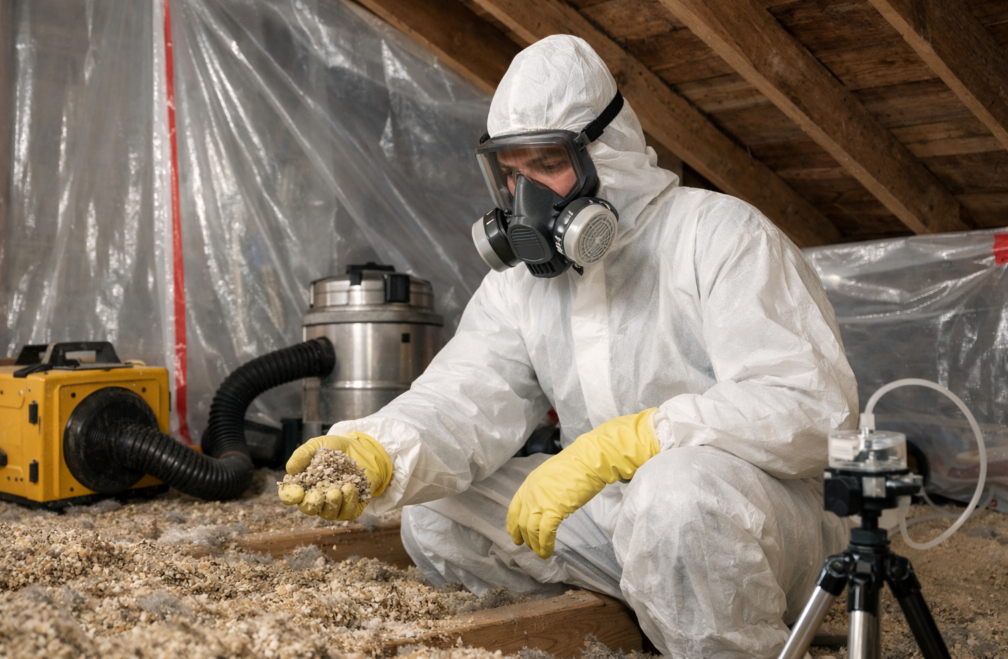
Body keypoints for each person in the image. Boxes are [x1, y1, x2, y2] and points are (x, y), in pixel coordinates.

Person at [280, 34, 858, 658]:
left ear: (608, 154)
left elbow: (810, 408)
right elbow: (467, 397)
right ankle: (630, 617)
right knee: (439, 512)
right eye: (511, 173)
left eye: (547, 166)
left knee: (677, 494)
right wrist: (377, 450)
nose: (528, 200)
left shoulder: (720, 236)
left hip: (756, 529)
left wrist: (636, 439)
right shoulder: (523, 286)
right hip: (615, 519)